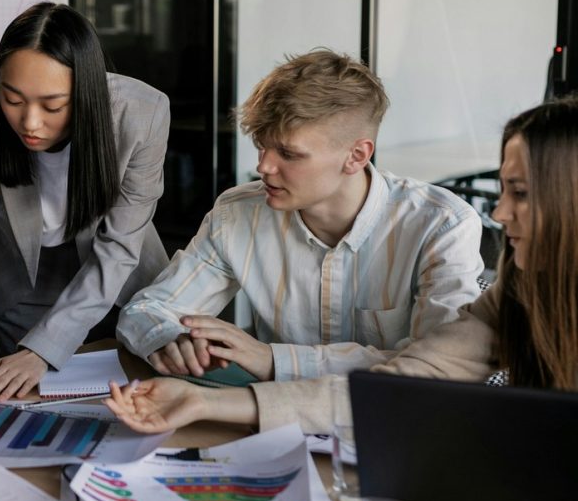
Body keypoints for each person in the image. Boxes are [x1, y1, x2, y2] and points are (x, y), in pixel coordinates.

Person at [107, 96, 578, 435]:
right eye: (504, 191)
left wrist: (271, 360)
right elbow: (405, 386)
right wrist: (204, 399)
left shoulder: (442, 223)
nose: (497, 214)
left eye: (520, 194)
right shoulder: (515, 290)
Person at [117, 49, 483, 382]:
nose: (263, 167)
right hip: (272, 425)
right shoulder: (237, 215)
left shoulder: (441, 226)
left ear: (357, 155)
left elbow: (437, 370)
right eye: (261, 147)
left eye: (288, 154)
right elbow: (148, 308)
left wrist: (274, 360)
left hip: (394, 428)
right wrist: (170, 338)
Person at [0, 2, 170, 402]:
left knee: (121, 404)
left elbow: (117, 251)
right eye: (12, 99)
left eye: (53, 105)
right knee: (29, 407)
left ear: (86, 93)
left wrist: (44, 348)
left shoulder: (141, 115)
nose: (30, 122)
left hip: (116, 281)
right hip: (17, 282)